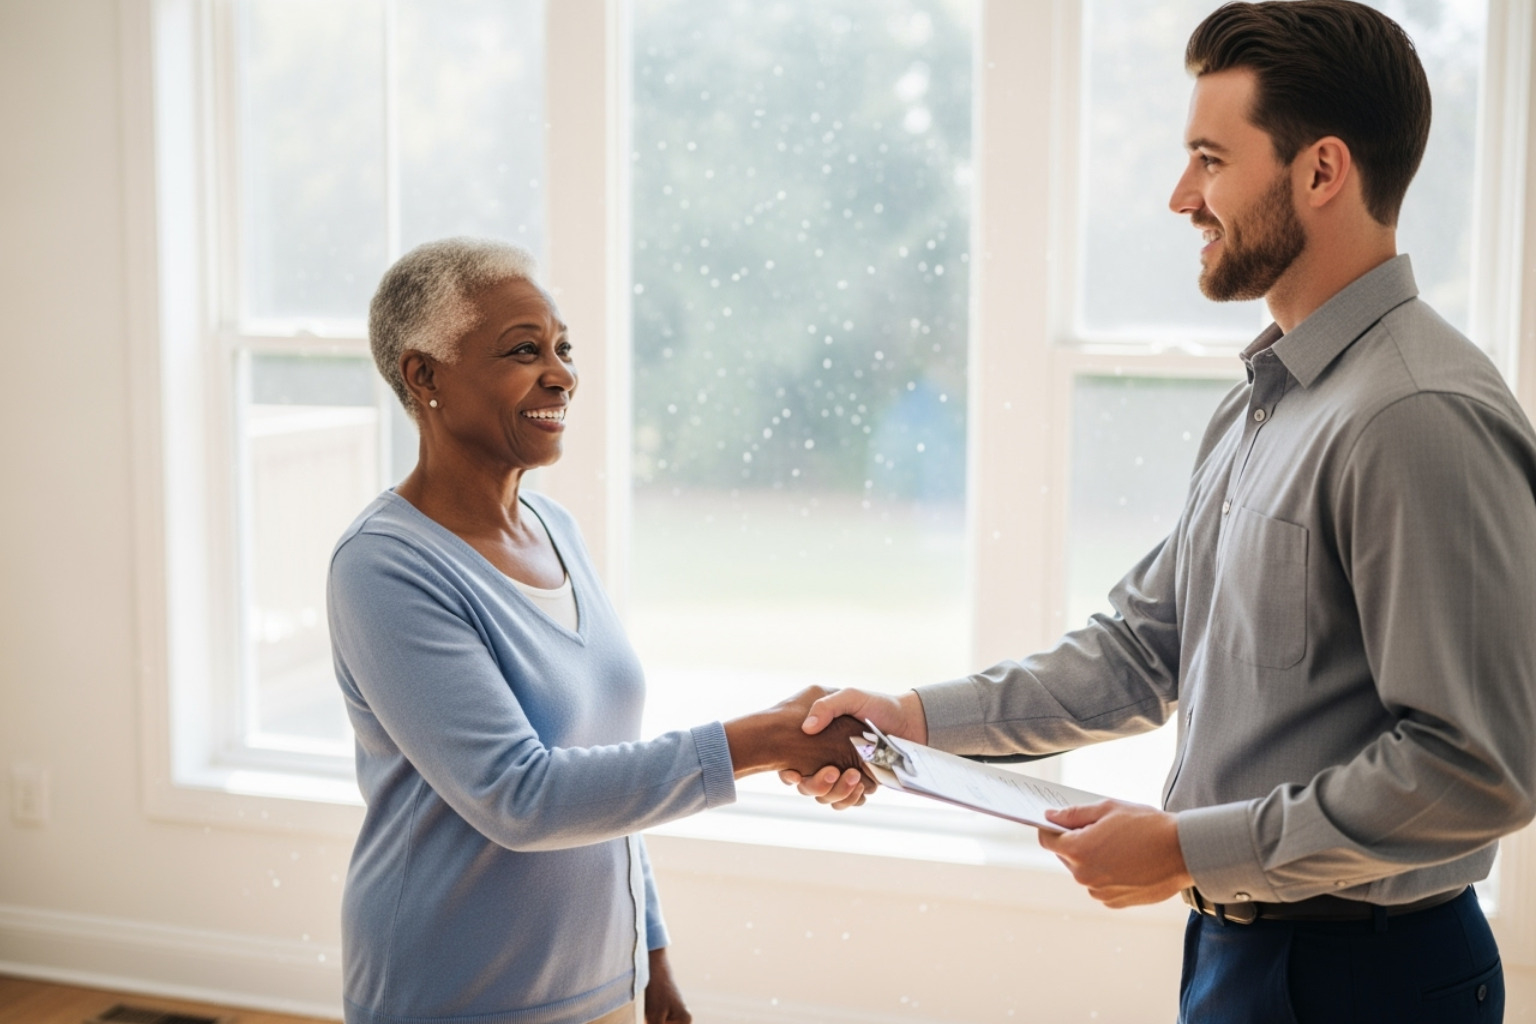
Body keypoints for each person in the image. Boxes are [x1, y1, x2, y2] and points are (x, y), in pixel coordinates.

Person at [785, 2, 1536, 1020]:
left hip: (1371, 979)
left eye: (1210, 159)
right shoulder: (1262, 402)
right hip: (1239, 955)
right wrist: (910, 721)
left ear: (1322, 172)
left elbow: (1476, 767)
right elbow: (1142, 650)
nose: (1182, 195)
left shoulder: (1415, 415)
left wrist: (1189, 849)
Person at [328, 237, 870, 1024]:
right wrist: (764, 741)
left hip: (601, 986)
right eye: (524, 351)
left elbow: (605, 775)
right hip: (452, 996)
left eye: (563, 349)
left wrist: (650, 960)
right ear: (424, 375)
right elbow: (523, 797)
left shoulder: (556, 529)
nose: (562, 374)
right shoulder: (384, 567)